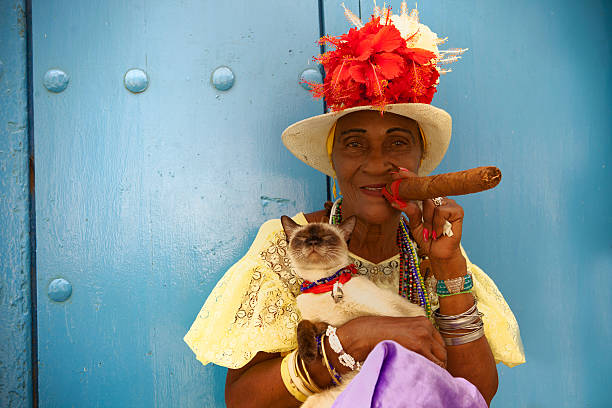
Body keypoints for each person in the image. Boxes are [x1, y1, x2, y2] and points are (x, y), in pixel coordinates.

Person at [184, 3, 524, 407]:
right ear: (334, 162)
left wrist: (450, 267)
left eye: (398, 142)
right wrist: (357, 337)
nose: (377, 164)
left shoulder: (434, 247)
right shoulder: (287, 244)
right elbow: (244, 401)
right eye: (354, 143)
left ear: (419, 160)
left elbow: (474, 393)